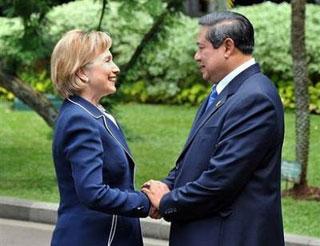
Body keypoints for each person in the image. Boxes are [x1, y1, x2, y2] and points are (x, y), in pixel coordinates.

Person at [142, 11, 285, 246]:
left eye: (201, 47)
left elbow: (220, 182)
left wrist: (168, 201)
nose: (196, 56)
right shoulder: (225, 92)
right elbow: (195, 158)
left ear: (227, 47)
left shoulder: (255, 98)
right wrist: (167, 184)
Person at [50, 30, 150, 246]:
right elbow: (93, 192)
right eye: (107, 60)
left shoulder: (93, 113)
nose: (116, 68)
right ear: (81, 74)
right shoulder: (80, 119)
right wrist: (145, 202)